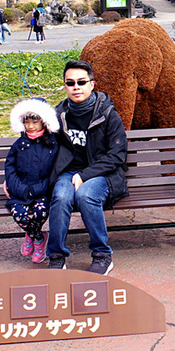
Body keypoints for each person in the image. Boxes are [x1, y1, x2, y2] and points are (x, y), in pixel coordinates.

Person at [46, 60, 128, 274]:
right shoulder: (58, 116)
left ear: (92, 84)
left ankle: (102, 255)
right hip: (69, 173)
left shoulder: (108, 114)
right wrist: (15, 174)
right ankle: (56, 256)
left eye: (81, 82)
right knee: (61, 197)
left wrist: (85, 175)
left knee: (85, 196)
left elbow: (117, 155)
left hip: (102, 173)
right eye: (70, 82)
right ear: (65, 86)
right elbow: (38, 147)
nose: (76, 87)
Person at [2, 98, 59, 263]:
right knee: (20, 215)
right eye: (27, 122)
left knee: (40, 212)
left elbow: (55, 172)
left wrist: (39, 189)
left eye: (35, 122)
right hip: (20, 191)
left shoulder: (52, 145)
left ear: (44, 122)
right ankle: (37, 237)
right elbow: (10, 168)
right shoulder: (19, 144)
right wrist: (17, 188)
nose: (31, 126)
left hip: (42, 192)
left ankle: (35, 238)